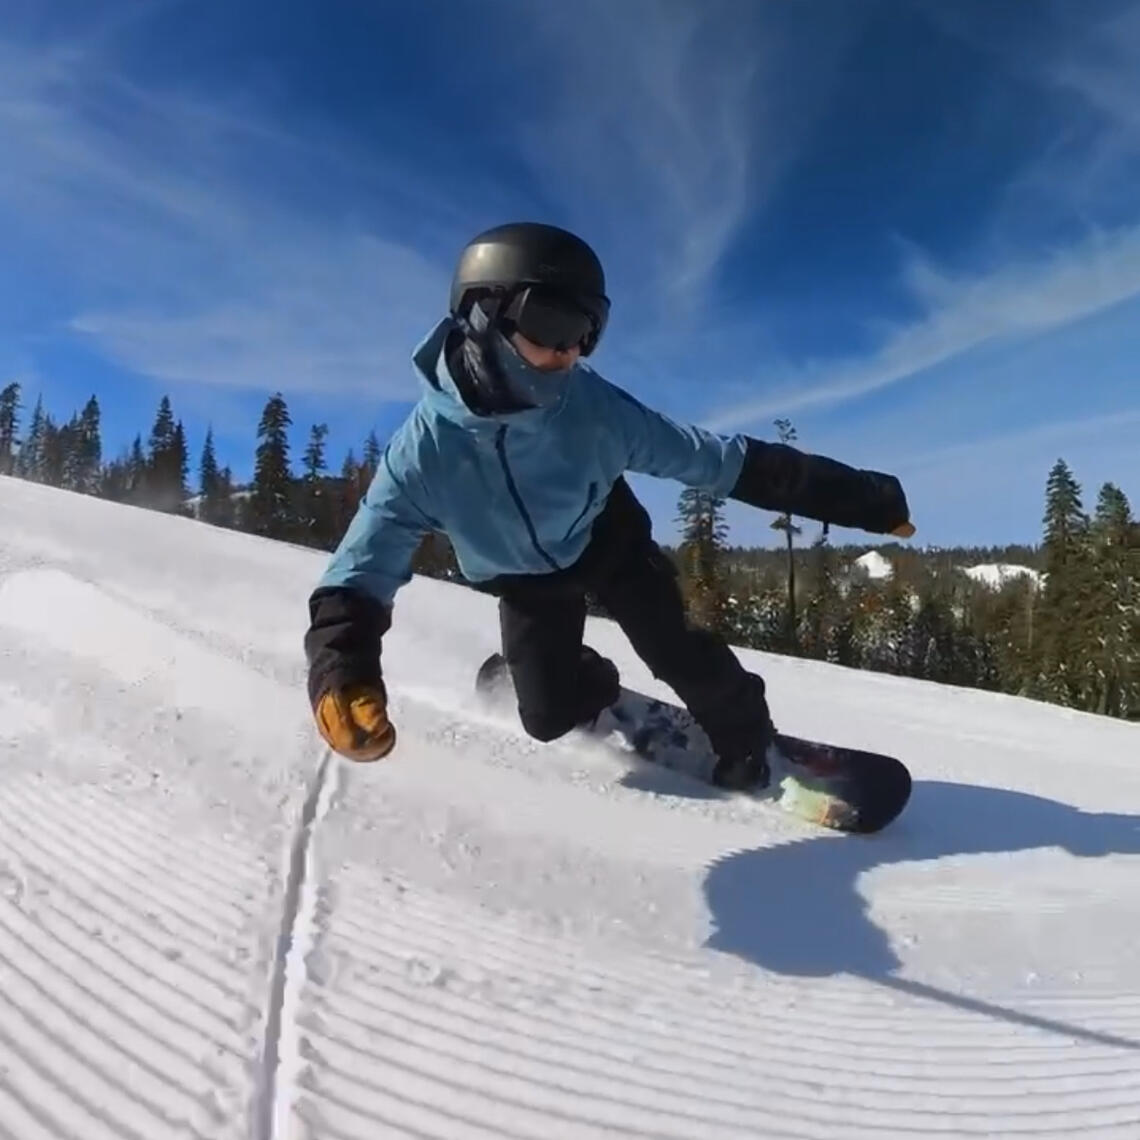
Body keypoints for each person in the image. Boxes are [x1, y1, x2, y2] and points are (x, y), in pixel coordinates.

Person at [304, 222, 914, 790]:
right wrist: (344, 674)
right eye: (551, 324)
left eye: (587, 331)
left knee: (676, 647)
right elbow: (362, 569)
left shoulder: (592, 410)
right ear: (481, 315)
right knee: (546, 718)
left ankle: (748, 740)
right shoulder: (424, 453)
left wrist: (866, 500)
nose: (571, 353)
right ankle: (579, 680)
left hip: (608, 542)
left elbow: (721, 461)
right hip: (526, 581)